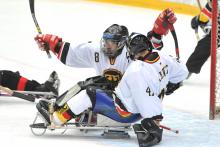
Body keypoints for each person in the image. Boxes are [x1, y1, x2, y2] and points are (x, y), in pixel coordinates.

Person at [36, 32, 188, 146]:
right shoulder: (162, 57)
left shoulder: (137, 70)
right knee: (94, 81)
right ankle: (57, 106)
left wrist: (154, 121)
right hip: (131, 102)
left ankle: (55, 119)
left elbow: (145, 97)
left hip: (125, 112)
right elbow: (183, 72)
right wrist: (171, 84)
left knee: (90, 94)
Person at [34, 8, 176, 125]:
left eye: (111, 42)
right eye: (105, 41)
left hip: (129, 104)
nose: (106, 45)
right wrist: (52, 43)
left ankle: (57, 118)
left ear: (121, 44)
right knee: (91, 82)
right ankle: (57, 107)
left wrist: (157, 32)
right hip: (113, 97)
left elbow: (150, 50)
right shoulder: (97, 51)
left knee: (91, 89)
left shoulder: (132, 53)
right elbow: (71, 53)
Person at [186, 0, 212, 78]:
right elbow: (204, 18)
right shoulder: (212, 3)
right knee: (204, 45)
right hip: (216, 34)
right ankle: (188, 70)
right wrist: (197, 19)